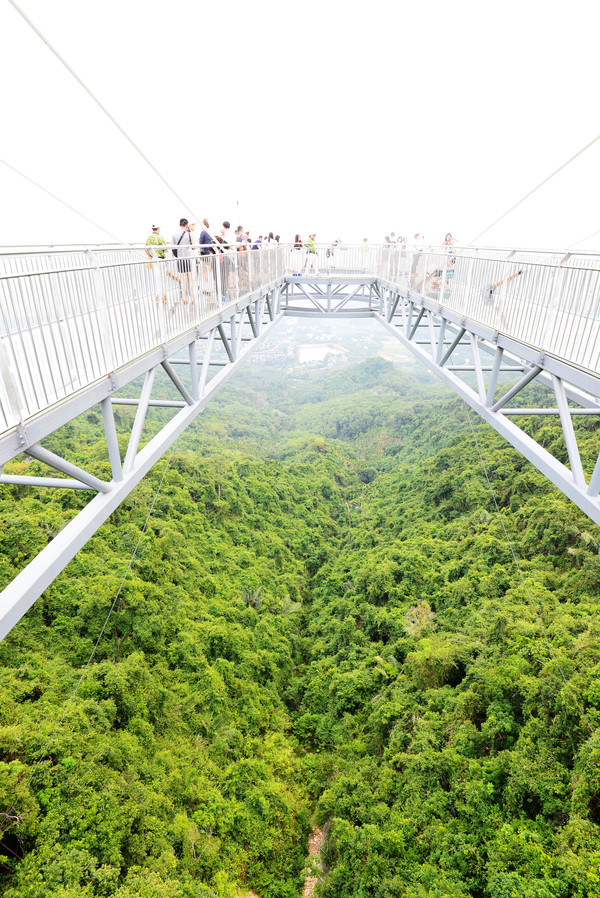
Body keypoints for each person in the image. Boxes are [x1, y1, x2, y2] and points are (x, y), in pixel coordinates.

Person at [171, 218, 195, 302]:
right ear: (187, 225)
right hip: (188, 259)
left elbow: (172, 247)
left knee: (183, 279)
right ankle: (192, 297)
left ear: (179, 225)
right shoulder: (189, 234)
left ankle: (184, 298)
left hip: (180, 260)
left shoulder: (174, 234)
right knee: (191, 279)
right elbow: (194, 246)